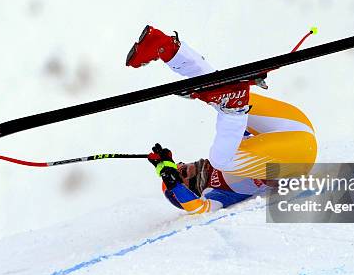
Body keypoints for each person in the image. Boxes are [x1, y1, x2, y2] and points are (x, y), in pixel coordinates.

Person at [126, 25, 317, 214]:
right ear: (190, 189)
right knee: (223, 145)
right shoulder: (214, 192)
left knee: (223, 95)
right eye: (181, 173)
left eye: (179, 166)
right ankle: (229, 99)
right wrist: (172, 183)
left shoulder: (230, 148)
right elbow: (200, 209)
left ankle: (166, 48)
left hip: (295, 126)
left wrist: (213, 98)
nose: (182, 166)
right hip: (298, 161)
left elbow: (238, 126)